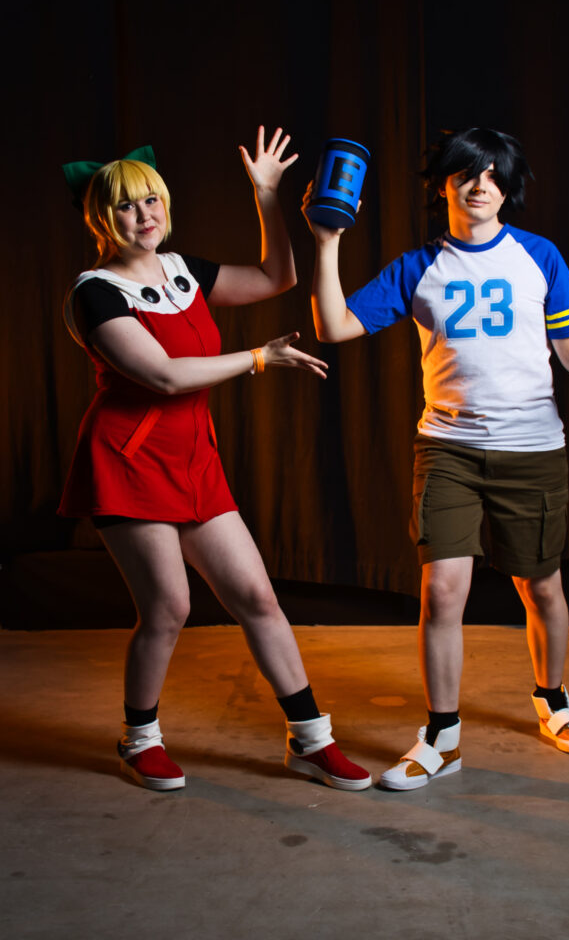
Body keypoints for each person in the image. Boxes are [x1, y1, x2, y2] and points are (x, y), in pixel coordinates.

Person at [304, 127, 569, 790]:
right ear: (442, 186)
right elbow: (332, 326)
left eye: (492, 175)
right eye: (465, 173)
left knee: (540, 586)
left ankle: (553, 701)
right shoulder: (418, 266)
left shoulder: (539, 257)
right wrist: (326, 239)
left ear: (506, 189)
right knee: (441, 590)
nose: (479, 185)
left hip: (532, 449)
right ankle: (442, 736)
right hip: (448, 448)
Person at [59, 126, 372, 793]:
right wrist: (259, 357)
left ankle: (311, 740)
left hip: (192, 456)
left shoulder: (182, 271)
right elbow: (164, 375)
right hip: (129, 458)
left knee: (256, 595)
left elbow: (276, 277)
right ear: (100, 217)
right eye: (125, 206)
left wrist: (266, 195)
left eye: (151, 201)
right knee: (168, 607)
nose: (143, 216)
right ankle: (140, 740)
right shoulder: (95, 292)